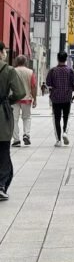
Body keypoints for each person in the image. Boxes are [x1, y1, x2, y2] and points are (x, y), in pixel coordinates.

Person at [0, 43, 25, 200]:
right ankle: (1, 185)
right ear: (1, 52)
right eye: (4, 51)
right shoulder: (8, 70)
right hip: (2, 114)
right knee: (3, 151)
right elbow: (20, 92)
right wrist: (8, 100)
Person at [46, 51, 74, 146]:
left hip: (56, 98)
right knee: (66, 116)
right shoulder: (70, 71)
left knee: (56, 118)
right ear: (66, 59)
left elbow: (48, 83)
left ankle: (58, 140)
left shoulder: (53, 71)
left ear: (57, 59)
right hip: (67, 97)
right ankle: (65, 132)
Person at [11, 55, 37, 147]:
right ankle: (26, 134)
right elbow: (33, 86)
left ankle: (16, 140)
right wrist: (35, 99)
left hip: (14, 99)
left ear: (16, 62)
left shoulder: (12, 71)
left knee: (14, 119)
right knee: (26, 118)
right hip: (27, 99)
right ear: (25, 62)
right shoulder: (30, 72)